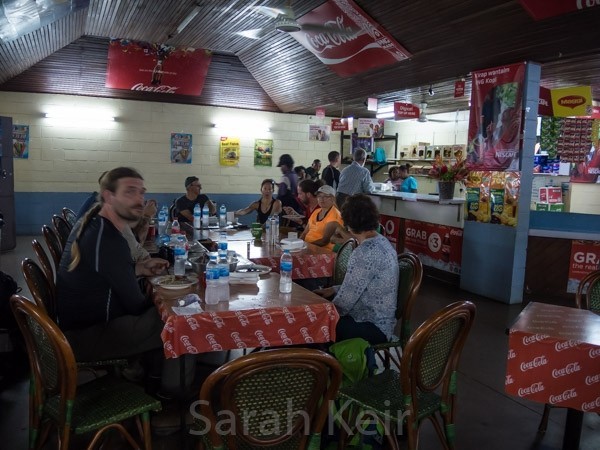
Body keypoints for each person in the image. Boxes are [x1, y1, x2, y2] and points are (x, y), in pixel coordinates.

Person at [55, 167, 194, 398]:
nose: (139, 200)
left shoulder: (96, 225)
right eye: (130, 192)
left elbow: (106, 274)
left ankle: (154, 373)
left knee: (167, 308)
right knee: (181, 320)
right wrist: (171, 295)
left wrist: (138, 268)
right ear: (109, 196)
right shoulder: (108, 239)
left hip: (80, 325)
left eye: (142, 192)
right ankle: (173, 400)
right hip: (85, 337)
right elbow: (135, 305)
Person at [315, 194, 398, 344]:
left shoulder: (364, 252)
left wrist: (320, 310)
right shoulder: (382, 241)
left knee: (317, 324)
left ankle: (322, 365)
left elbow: (344, 304)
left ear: (348, 223)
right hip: (384, 322)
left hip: (369, 324)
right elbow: (364, 284)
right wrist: (334, 289)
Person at [300, 185, 343, 251]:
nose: (321, 199)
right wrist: (298, 243)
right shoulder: (316, 211)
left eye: (325, 196)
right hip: (307, 246)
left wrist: (305, 245)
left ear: (333, 198)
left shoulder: (335, 215)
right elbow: (304, 233)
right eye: (319, 196)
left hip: (323, 250)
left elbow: (324, 241)